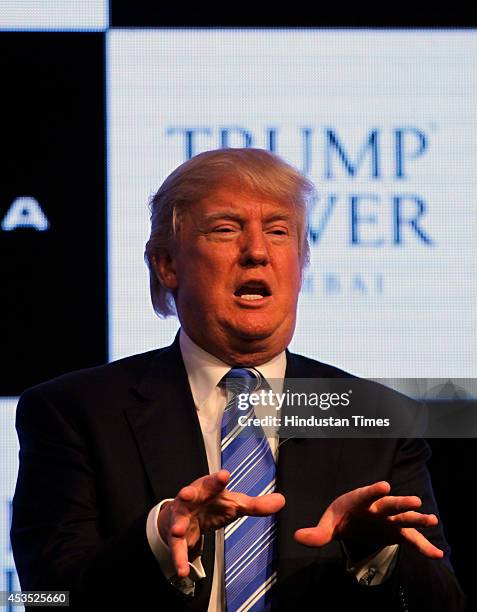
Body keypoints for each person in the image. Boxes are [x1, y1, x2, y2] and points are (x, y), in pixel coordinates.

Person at [11, 148, 464, 611]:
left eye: (278, 231)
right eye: (226, 229)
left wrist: (378, 553)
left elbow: (445, 605)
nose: (257, 252)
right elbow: (44, 597)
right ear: (167, 264)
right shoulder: (75, 412)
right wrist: (156, 542)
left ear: (300, 264)